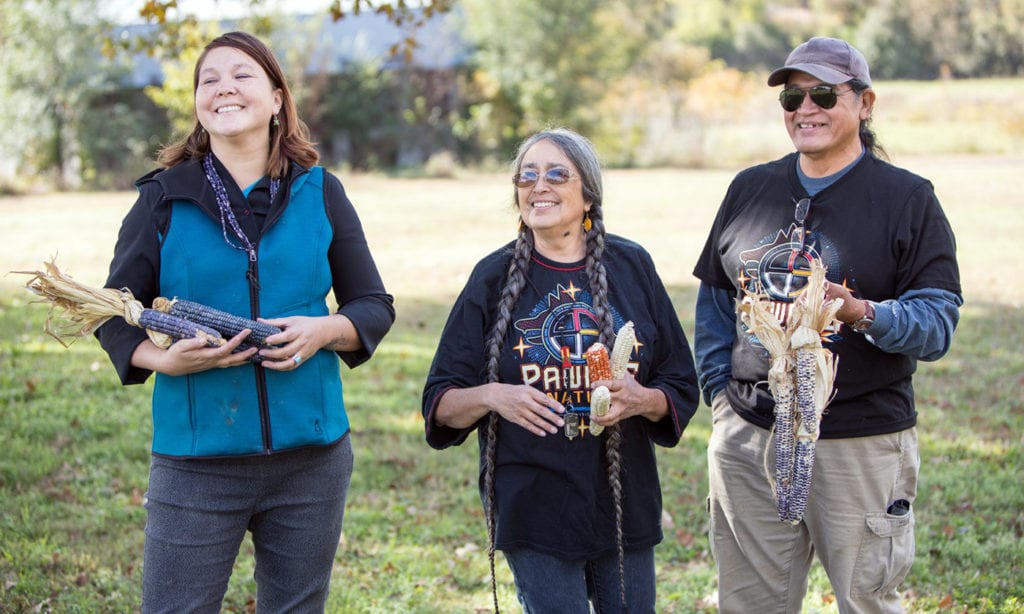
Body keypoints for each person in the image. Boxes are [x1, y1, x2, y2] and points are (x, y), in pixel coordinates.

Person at [96, 31, 394, 612]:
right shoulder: (162, 197)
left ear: (277, 98)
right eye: (209, 79)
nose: (224, 88)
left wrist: (323, 332)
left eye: (242, 75)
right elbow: (114, 309)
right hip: (196, 462)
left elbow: (372, 304)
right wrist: (161, 360)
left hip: (312, 458)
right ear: (198, 104)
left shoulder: (320, 191)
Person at [693, 36, 962, 613]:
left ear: (865, 104)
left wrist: (861, 312)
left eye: (823, 94)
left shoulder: (908, 198)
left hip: (859, 442)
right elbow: (715, 298)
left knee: (866, 602)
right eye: (793, 97)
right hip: (750, 437)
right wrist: (721, 397)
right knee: (749, 606)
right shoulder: (750, 188)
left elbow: (938, 323)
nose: (805, 109)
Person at [422, 127, 700, 613]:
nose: (539, 186)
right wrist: (493, 396)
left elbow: (679, 384)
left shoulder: (632, 266)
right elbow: (440, 403)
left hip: (623, 498)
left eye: (556, 174)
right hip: (533, 502)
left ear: (588, 194)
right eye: (526, 176)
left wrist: (641, 399)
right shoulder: (492, 277)